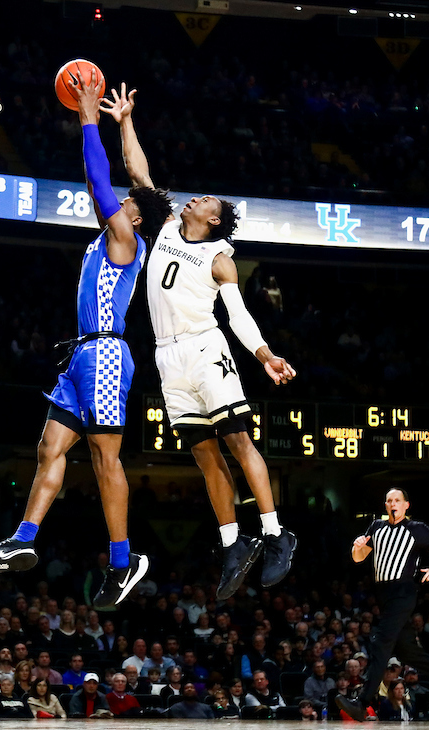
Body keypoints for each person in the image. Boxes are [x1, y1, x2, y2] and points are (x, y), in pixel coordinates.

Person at [0, 72, 172, 609]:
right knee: (48, 448)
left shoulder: (126, 237)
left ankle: (124, 562)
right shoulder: (129, 224)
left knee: (105, 460)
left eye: (129, 202)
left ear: (135, 217)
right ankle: (22, 540)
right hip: (82, 355)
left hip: (105, 353)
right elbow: (139, 178)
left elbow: (101, 184)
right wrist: (125, 122)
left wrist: (86, 119)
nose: (122, 200)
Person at [102, 84, 297, 600]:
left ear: (212, 219)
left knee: (237, 442)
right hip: (168, 357)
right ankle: (234, 542)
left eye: (206, 200)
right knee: (204, 454)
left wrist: (264, 356)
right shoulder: (164, 225)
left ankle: (278, 535)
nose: (196, 196)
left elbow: (238, 315)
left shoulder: (220, 257)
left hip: (207, 349)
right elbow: (138, 172)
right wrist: (124, 120)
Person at [338, 488, 429, 721]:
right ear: (385, 505)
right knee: (406, 651)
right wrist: (357, 547)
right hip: (383, 594)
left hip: (404, 591)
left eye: (397, 500)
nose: (393, 503)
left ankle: (362, 702)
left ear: (406, 505)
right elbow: (359, 558)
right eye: (389, 500)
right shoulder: (376, 527)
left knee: (381, 644)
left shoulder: (417, 528)